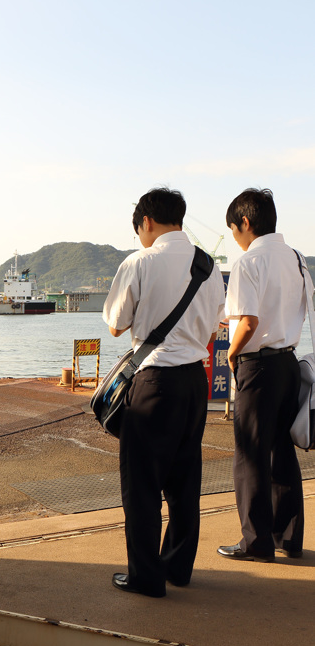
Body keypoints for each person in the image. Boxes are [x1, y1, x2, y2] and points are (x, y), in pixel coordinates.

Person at [103, 187, 225, 597]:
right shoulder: (208, 266)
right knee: (184, 481)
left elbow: (116, 324)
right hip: (195, 382)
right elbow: (212, 329)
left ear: (147, 222)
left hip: (154, 383)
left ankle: (146, 577)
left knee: (142, 485)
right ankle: (177, 568)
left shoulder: (140, 261)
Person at [218, 188, 311, 561]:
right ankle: (287, 538)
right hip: (289, 361)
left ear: (245, 222)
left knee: (251, 455)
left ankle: (254, 542)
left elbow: (249, 320)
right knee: (281, 450)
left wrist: (232, 353)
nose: (235, 240)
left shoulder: (248, 262)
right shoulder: (296, 258)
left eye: (233, 230)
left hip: (259, 365)